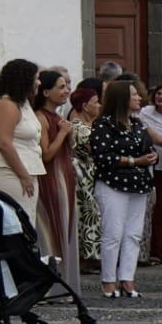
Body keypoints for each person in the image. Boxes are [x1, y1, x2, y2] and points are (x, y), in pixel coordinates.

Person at [90, 80, 158, 300]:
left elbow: (147, 147)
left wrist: (150, 157)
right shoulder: (104, 125)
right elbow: (103, 157)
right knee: (113, 233)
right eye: (134, 95)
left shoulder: (137, 124)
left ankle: (127, 277)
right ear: (122, 98)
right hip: (113, 184)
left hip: (138, 185)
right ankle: (108, 280)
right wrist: (134, 161)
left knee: (133, 234)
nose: (139, 98)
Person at [34, 71, 79, 293]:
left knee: (66, 227)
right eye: (61, 87)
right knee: (53, 229)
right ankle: (54, 286)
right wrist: (63, 133)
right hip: (51, 180)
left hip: (65, 178)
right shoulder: (41, 118)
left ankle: (66, 284)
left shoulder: (59, 118)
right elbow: (47, 154)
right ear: (45, 92)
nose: (66, 91)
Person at [0, 59, 43, 208]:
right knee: (18, 222)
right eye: (36, 78)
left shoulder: (24, 104)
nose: (39, 83)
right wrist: (23, 175)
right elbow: (4, 143)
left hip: (26, 171)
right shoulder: (6, 105)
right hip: (10, 172)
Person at [138, 82, 162, 265]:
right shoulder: (145, 113)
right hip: (157, 168)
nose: (161, 97)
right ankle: (155, 251)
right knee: (159, 209)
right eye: (159, 93)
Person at [70, 86, 103, 269]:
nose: (99, 105)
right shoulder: (79, 128)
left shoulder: (90, 125)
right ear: (85, 106)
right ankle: (86, 257)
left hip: (91, 174)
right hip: (84, 175)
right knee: (88, 215)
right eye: (95, 102)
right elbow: (97, 151)